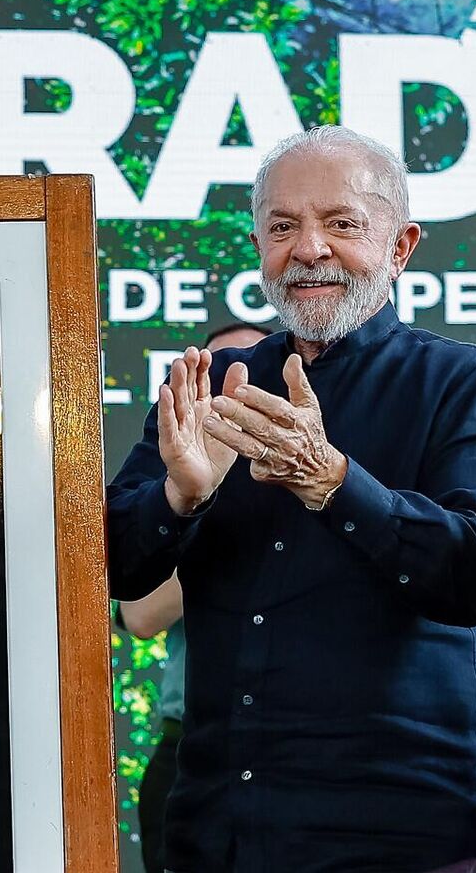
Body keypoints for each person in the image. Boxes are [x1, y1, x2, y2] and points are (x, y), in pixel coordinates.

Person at [105, 125, 476, 873]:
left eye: (341, 224)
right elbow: (116, 570)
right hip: (219, 826)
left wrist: (332, 482)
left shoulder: (467, 383)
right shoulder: (213, 382)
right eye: (282, 227)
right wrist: (182, 496)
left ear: (401, 247)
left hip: (399, 831)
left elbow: (474, 579)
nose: (308, 249)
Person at [115, 323, 270, 873]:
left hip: (299, 753)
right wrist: (200, 501)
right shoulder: (171, 493)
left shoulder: (312, 478)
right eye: (220, 375)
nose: (237, 392)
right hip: (193, 747)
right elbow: (138, 616)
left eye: (253, 373)